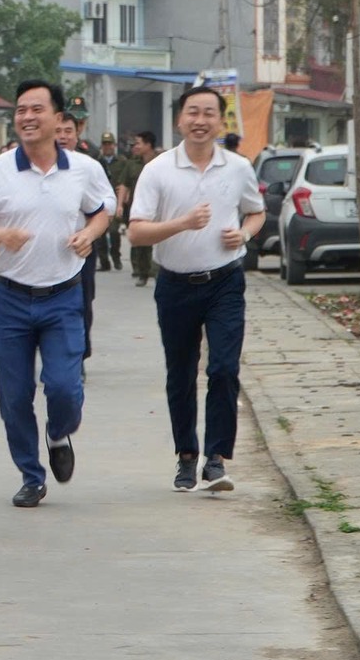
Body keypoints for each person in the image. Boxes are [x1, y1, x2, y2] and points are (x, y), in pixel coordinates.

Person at [0, 81, 115, 508]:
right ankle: (31, 476)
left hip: (62, 296)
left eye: (37, 109)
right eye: (21, 110)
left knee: (64, 387)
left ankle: (58, 433)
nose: (27, 117)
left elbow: (102, 210)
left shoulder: (84, 169)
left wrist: (89, 234)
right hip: (10, 297)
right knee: (15, 396)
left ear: (58, 118)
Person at [128, 86, 265, 493]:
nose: (200, 121)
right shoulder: (158, 170)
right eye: (193, 112)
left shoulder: (238, 167)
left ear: (221, 122)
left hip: (225, 281)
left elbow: (256, 213)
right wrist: (182, 224)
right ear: (179, 120)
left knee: (223, 368)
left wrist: (243, 234)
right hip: (175, 283)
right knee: (182, 373)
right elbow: (136, 232)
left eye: (209, 113)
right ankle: (187, 455)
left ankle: (216, 459)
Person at [57, 112, 99, 370]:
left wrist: (89, 233)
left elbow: (105, 205)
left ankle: (79, 356)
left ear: (77, 134)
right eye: (58, 131)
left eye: (68, 131)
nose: (62, 137)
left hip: (82, 248)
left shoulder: (88, 166)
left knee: (83, 300)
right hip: (51, 250)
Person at [123, 132, 160, 285]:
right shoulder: (132, 164)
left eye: (138, 143)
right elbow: (124, 184)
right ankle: (142, 273)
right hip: (138, 207)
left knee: (158, 240)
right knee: (142, 242)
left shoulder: (161, 162)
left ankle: (157, 273)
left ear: (148, 145)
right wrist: (119, 205)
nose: (135, 147)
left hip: (158, 208)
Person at [95, 132, 125, 271]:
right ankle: (104, 262)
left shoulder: (122, 162)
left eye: (110, 144)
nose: (107, 146)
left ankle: (116, 257)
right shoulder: (96, 162)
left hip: (116, 201)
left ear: (114, 145)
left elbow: (125, 180)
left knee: (114, 232)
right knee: (100, 234)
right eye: (105, 144)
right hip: (100, 201)